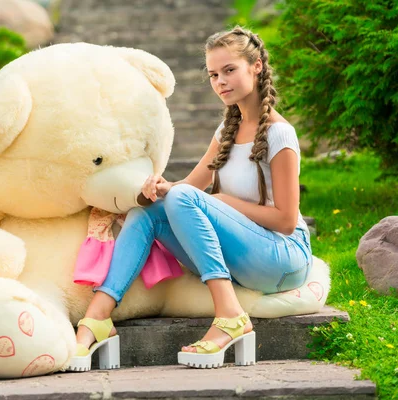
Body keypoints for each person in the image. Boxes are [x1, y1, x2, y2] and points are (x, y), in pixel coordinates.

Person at [67, 26, 313, 371]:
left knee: (182, 198)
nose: (220, 81)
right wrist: (155, 188)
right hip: (244, 254)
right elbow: (187, 189)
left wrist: (220, 201)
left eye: (230, 70)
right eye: (214, 74)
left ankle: (229, 315)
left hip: (283, 258)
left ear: (256, 66)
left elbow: (286, 221)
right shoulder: (224, 131)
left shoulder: (279, 133)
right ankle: (97, 319)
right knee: (148, 212)